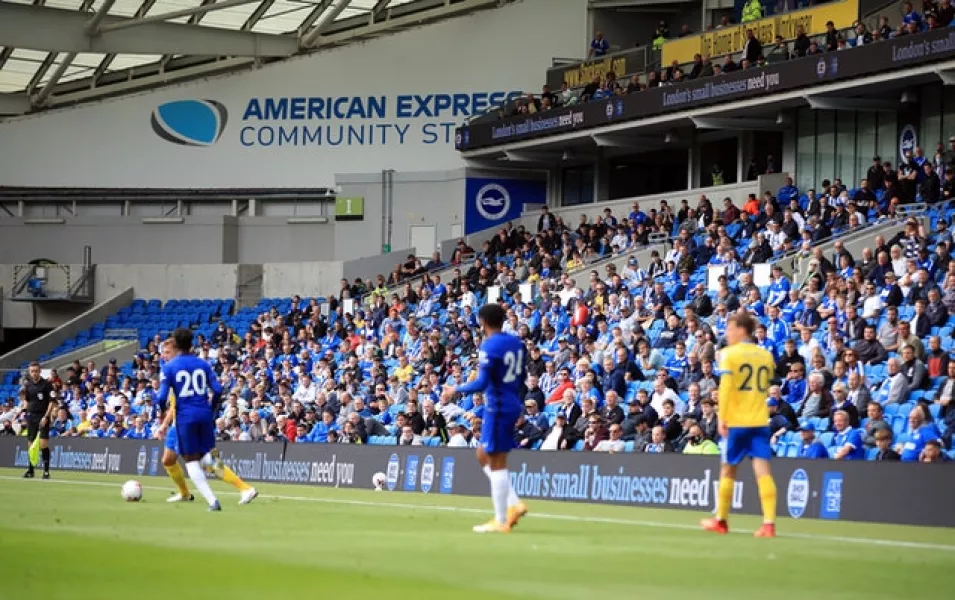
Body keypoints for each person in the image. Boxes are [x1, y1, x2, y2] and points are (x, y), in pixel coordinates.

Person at [443, 303, 528, 533]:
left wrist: (455, 390)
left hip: (497, 405)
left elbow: (482, 382)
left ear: (483, 323)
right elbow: (522, 377)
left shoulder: (489, 345)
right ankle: (514, 503)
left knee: (497, 461)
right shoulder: (517, 343)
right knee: (483, 453)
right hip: (511, 402)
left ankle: (501, 520)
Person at [701, 313, 777, 538]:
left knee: (728, 470)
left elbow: (725, 388)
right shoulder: (765, 355)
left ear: (741, 330)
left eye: (729, 328)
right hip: (760, 420)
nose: (727, 333)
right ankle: (769, 524)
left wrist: (722, 417)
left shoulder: (729, 354)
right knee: (763, 472)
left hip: (737, 421)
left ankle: (721, 521)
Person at [156, 339, 258, 505]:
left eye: (167, 352)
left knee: (206, 462)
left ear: (177, 352)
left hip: (187, 424)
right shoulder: (176, 369)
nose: (164, 356)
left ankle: (244, 488)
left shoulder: (177, 370)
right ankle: (185, 494)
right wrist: (164, 425)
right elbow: (174, 403)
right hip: (179, 424)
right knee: (168, 460)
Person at [156, 328, 227, 511]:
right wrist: (211, 408)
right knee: (208, 456)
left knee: (191, 460)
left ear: (177, 345)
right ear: (191, 343)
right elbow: (218, 390)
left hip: (185, 417)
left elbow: (162, 397)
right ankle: (243, 487)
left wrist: (161, 411)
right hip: (204, 414)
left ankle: (212, 501)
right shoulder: (203, 364)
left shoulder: (170, 367)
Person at [22, 362, 57, 479]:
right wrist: (24, 411)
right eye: (32, 371)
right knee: (31, 444)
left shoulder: (47, 384)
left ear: (40, 371)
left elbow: (52, 401)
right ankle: (31, 470)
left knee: (43, 444)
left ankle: (46, 471)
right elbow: (26, 400)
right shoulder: (28, 385)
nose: (34, 373)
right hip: (31, 417)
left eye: (36, 371)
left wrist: (46, 417)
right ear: (30, 372)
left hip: (43, 416)